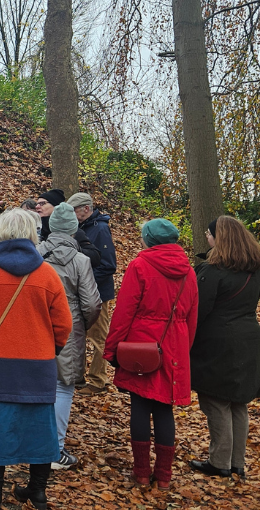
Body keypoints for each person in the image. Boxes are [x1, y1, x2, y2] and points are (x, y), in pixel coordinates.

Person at [0, 208, 72, 510]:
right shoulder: (46, 273)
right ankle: (38, 493)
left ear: (0, 231)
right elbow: (64, 325)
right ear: (33, 233)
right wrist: (50, 348)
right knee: (40, 427)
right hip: (38, 363)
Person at [103, 218, 197, 491]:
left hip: (142, 344)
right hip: (174, 344)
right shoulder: (188, 271)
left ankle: (142, 471)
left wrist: (113, 348)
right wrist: (183, 349)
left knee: (141, 406)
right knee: (165, 408)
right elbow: (192, 316)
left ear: (149, 239)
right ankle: (164, 476)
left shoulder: (140, 265)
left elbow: (124, 311)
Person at [189, 216, 260, 480]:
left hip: (219, 342)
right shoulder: (256, 271)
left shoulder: (211, 271)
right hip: (249, 340)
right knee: (238, 403)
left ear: (218, 238)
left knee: (216, 401)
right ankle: (236, 463)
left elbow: (198, 312)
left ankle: (219, 461)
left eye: (209, 234)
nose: (206, 238)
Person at [37, 203, 102, 470]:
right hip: (70, 325)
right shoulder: (80, 261)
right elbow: (91, 303)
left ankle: (36, 444)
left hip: (37, 322)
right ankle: (56, 449)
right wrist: (82, 324)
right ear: (74, 230)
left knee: (39, 385)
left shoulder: (35, 254)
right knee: (64, 387)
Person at [69, 192, 118, 395]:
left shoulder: (100, 229)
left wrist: (83, 280)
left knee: (98, 337)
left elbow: (108, 266)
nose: (72, 215)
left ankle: (98, 380)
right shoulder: (81, 228)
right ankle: (78, 376)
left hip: (99, 294)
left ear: (86, 209)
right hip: (82, 292)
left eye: (75, 211)